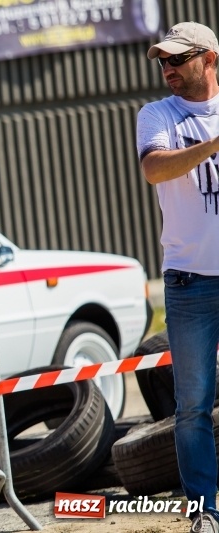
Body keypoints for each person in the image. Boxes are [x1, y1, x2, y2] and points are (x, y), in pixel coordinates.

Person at [137, 21, 219, 533]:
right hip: (189, 282)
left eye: (177, 59)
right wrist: (213, 144)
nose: (167, 70)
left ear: (209, 58)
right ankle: (204, 511)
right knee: (192, 406)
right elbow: (155, 169)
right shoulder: (156, 114)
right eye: (162, 62)